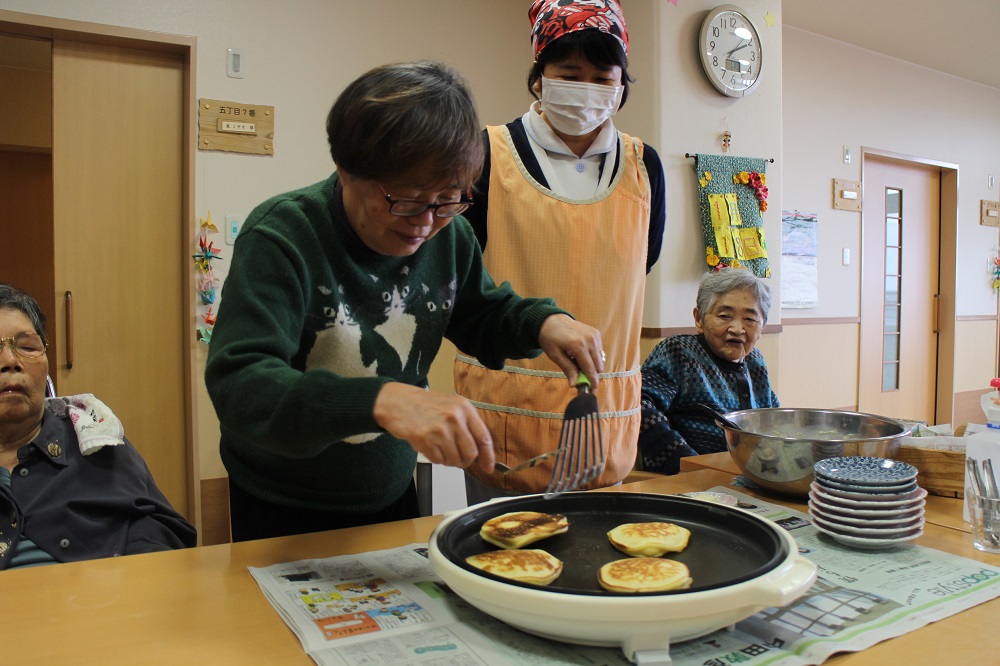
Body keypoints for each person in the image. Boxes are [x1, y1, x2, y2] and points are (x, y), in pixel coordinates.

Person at [205, 61, 604, 542]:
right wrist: (380, 400)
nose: (425, 222)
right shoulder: (282, 235)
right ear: (347, 170)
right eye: (409, 200)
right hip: (281, 504)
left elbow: (483, 312)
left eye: (449, 199)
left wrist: (543, 322)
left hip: (390, 490)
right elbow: (242, 386)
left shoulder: (449, 234)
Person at [455, 0, 666, 502]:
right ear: (539, 76)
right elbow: (461, 277)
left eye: (601, 76)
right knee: (498, 559)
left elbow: (644, 263)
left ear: (621, 84)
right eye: (569, 72)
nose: (586, 88)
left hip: (605, 418)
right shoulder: (488, 155)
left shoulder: (643, 167)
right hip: (503, 417)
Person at [0, 283, 196, 570]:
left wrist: (122, 585)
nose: (10, 361)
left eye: (27, 347)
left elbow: (162, 526)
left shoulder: (92, 437)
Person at [638, 269, 779, 475]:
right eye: (725, 316)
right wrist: (687, 464)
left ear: (762, 325)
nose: (737, 328)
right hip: (693, 480)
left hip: (748, 477)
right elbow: (638, 404)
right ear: (699, 319)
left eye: (749, 319)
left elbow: (773, 420)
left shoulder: (755, 361)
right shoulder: (679, 352)